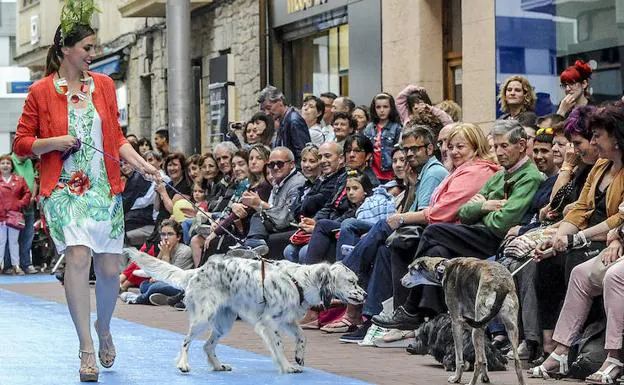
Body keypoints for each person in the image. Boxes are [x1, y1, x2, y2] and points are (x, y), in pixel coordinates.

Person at [12, 12, 161, 382]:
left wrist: (141, 164)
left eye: (94, 47)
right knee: (78, 257)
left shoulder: (105, 87)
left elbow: (116, 138)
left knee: (110, 270)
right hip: (63, 189)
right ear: (66, 50)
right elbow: (21, 145)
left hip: (102, 188)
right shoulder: (42, 90)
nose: (93, 53)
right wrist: (54, 142)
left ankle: (104, 327)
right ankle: (85, 348)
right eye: (87, 47)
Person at [531, 103, 624, 372]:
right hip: (603, 237)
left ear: (615, 137)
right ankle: (557, 350)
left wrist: (580, 239)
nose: (593, 142)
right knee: (558, 264)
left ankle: (608, 353)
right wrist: (559, 237)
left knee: (599, 269)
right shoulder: (600, 167)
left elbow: (619, 218)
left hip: (603, 238)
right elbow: (580, 209)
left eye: (597, 136)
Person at [241, 147, 307, 250]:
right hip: (279, 223)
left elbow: (285, 219)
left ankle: (254, 243)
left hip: (292, 227)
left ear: (292, 164)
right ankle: (253, 242)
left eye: (280, 164)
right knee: (256, 216)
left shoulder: (297, 183)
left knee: (258, 216)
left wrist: (260, 204)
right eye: (271, 165)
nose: (275, 168)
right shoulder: (277, 181)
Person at [120, 219, 193, 305]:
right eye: (163, 234)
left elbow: (169, 278)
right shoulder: (162, 247)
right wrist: (161, 254)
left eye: (170, 234)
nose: (165, 238)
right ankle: (166, 299)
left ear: (178, 237)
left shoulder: (184, 251)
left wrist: (166, 255)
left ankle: (136, 298)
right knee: (143, 285)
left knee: (155, 287)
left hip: (179, 285)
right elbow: (154, 272)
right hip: (164, 282)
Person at [258, 85, 311, 166]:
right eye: (264, 110)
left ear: (280, 101)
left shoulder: (293, 121)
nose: (267, 113)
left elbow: (303, 154)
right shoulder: (283, 121)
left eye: (269, 108)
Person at [0, 154, 32, 275]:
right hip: (1, 216)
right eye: (2, 163)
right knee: (1, 242)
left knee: (14, 242)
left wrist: (20, 203)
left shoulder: (20, 179)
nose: (5, 165)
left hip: (15, 215)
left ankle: (16, 266)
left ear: (12, 166)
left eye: (8, 163)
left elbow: (27, 193)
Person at [363, 93, 402, 183]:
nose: (382, 110)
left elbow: (398, 150)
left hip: (390, 174)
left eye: (385, 107)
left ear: (391, 108)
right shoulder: (369, 127)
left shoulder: (396, 127)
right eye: (378, 107)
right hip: (371, 174)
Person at [10, 152, 38, 274]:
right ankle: (9, 266)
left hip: (29, 205)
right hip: (14, 207)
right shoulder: (8, 161)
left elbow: (35, 180)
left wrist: (33, 196)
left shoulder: (30, 162)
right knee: (11, 238)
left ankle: (26, 264)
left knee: (28, 236)